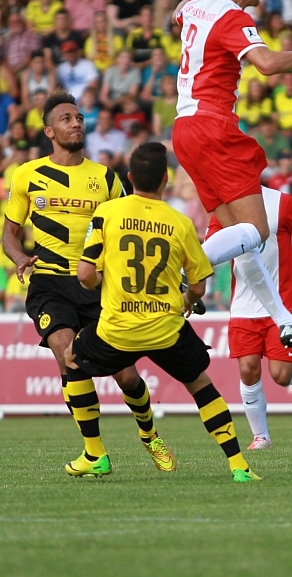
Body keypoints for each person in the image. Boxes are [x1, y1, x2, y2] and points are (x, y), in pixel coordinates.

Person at [171, 0, 292, 360]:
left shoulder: (195, 6)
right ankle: (182, 267)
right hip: (213, 127)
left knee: (241, 241)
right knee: (258, 231)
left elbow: (177, 12)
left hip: (184, 129)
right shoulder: (232, 16)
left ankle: (284, 321)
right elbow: (265, 64)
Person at [67, 142, 260, 482]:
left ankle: (95, 453)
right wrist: (187, 302)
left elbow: (85, 275)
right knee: (200, 385)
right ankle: (238, 466)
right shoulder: (180, 222)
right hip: (166, 327)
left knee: (71, 359)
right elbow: (198, 286)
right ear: (165, 179)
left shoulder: (107, 213)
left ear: (129, 178)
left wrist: (102, 282)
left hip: (117, 328)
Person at [3, 92, 174, 473]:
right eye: (66, 119)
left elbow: (129, 228)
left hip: (96, 285)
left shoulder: (106, 178)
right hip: (49, 282)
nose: (76, 123)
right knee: (67, 354)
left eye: (79, 118)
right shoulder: (27, 174)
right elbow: (9, 234)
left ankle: (149, 434)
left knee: (126, 375)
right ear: (49, 131)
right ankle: (95, 454)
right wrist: (19, 258)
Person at [208, 185, 292, 450]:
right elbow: (210, 250)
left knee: (280, 375)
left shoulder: (282, 202)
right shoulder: (225, 207)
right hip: (243, 304)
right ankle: (261, 437)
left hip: (280, 303)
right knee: (248, 369)